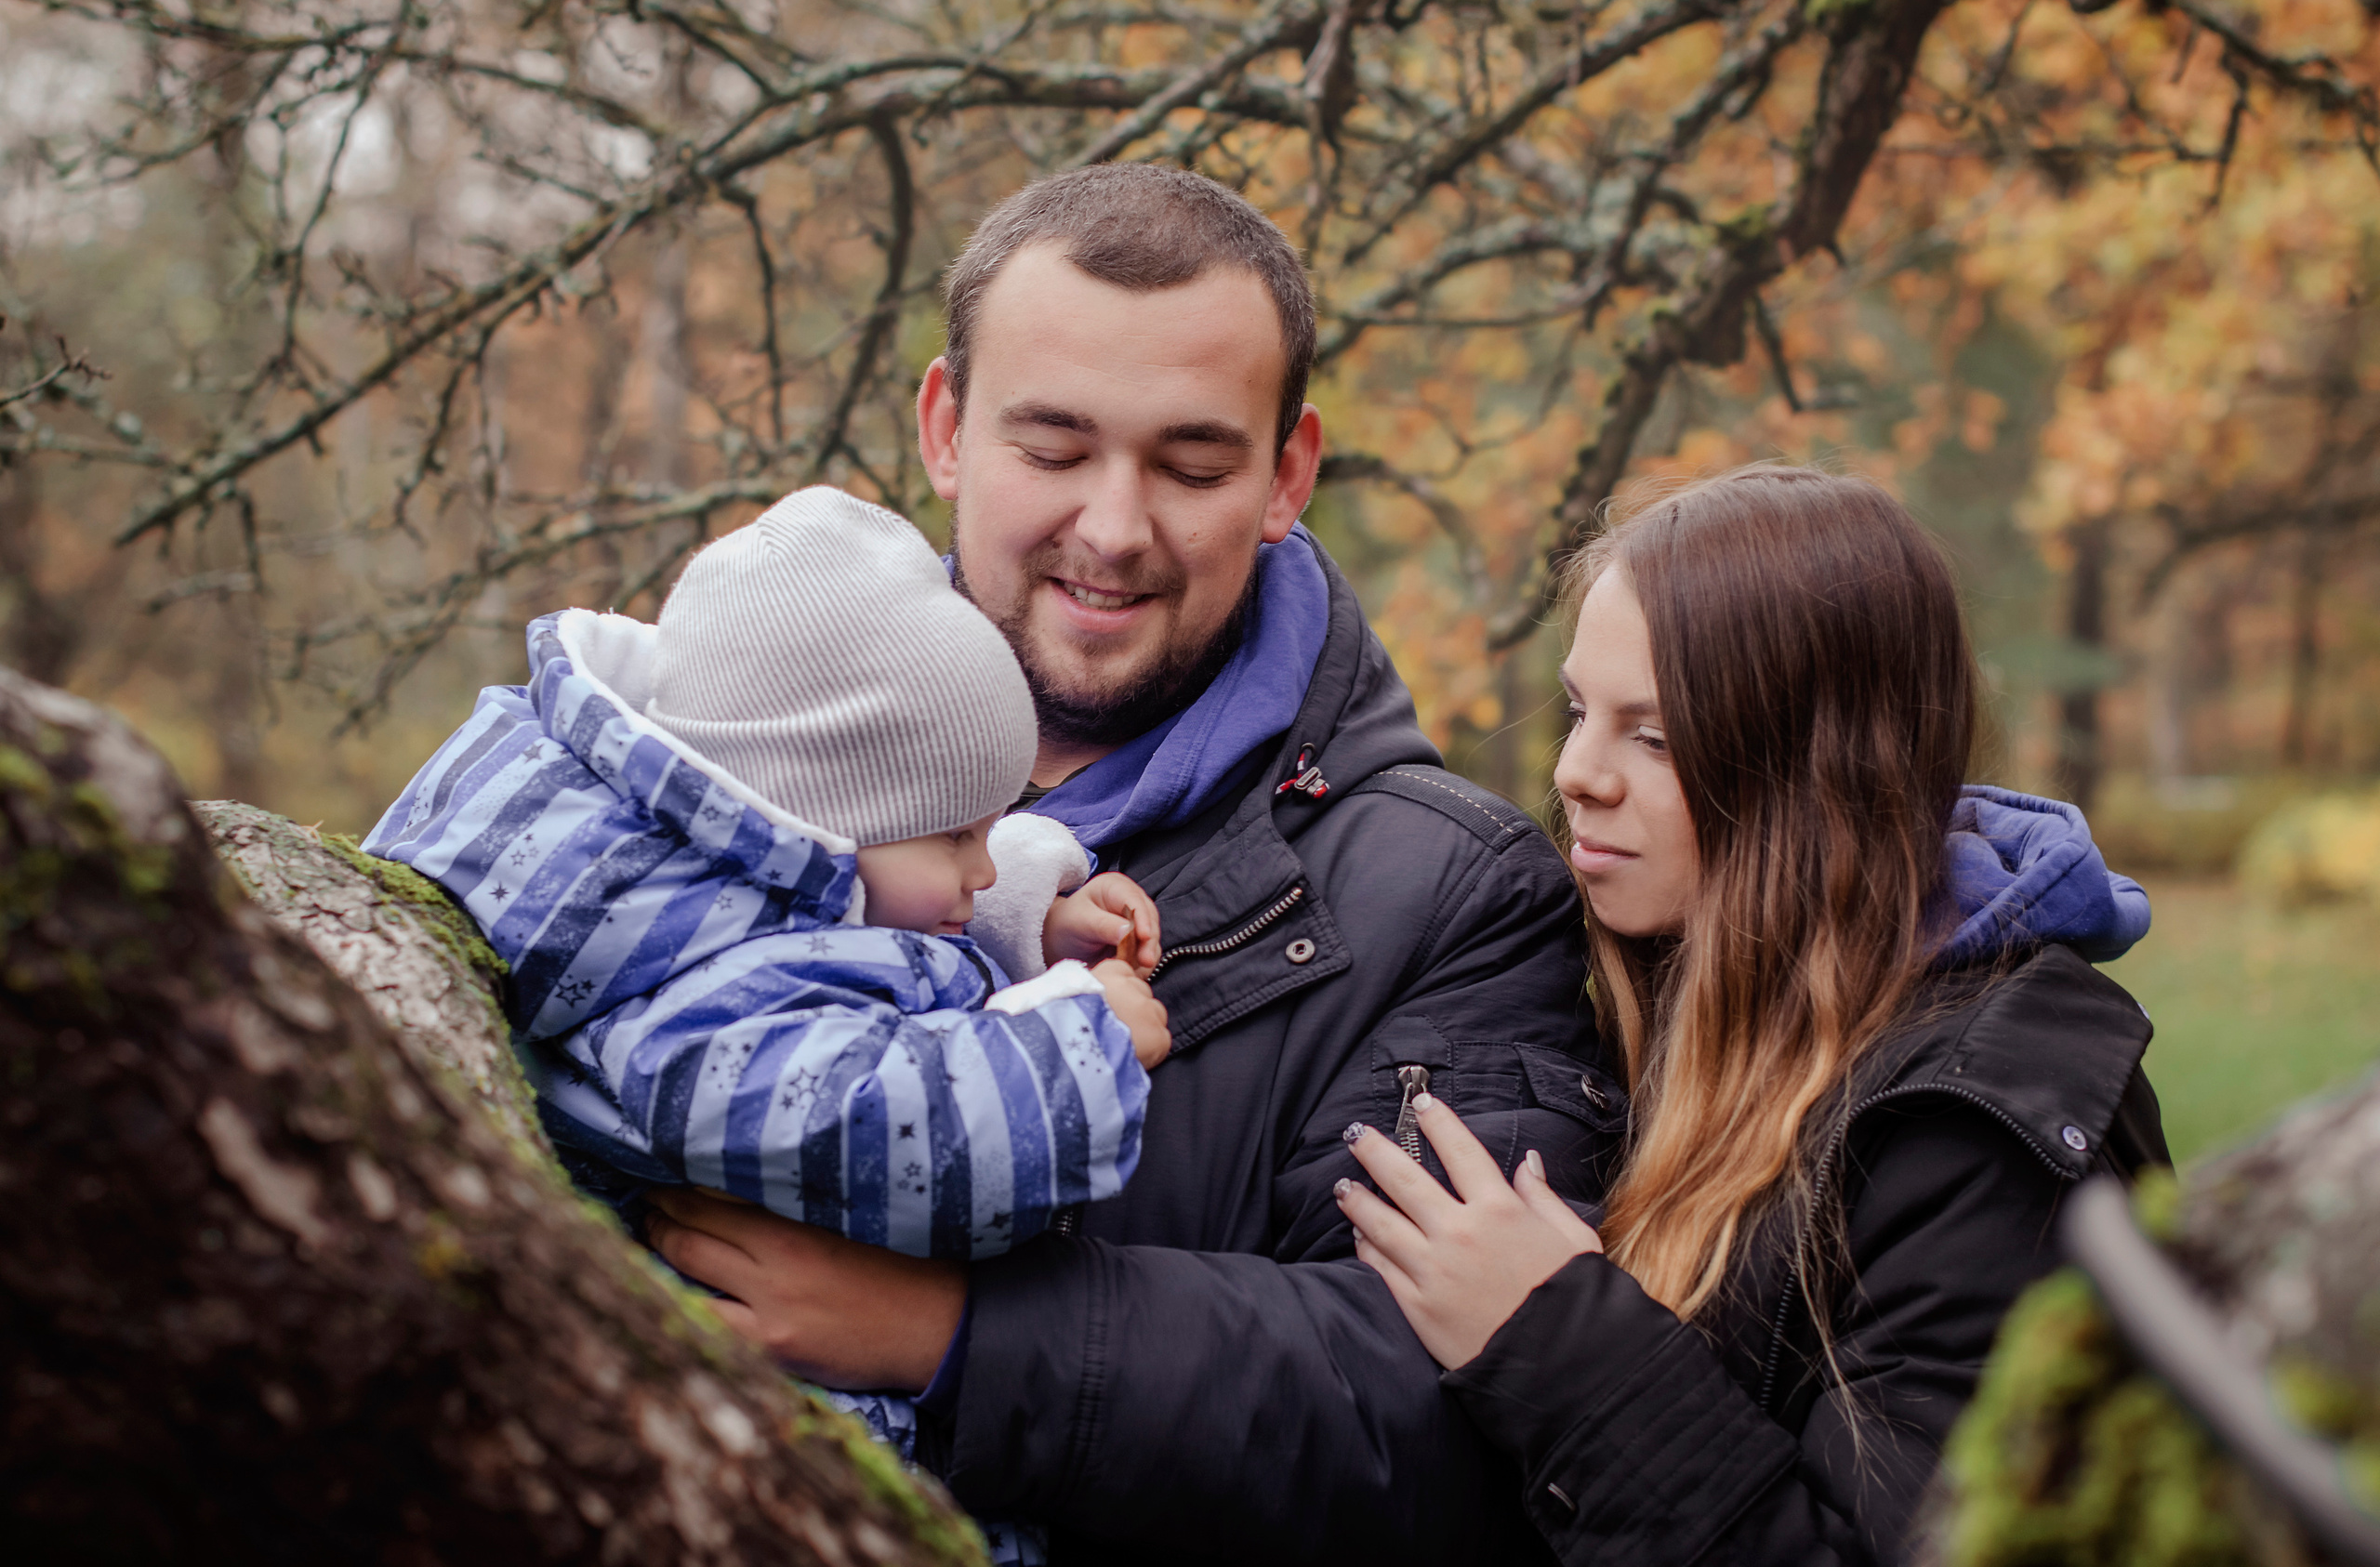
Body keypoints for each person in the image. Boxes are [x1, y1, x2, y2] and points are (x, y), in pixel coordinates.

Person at [639, 164, 1620, 1561]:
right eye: (1052, 449)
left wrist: (961, 1338)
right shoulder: (729, 736)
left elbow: (1455, 1421)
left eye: (1191, 464)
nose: (1111, 527)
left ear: (1287, 475)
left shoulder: (1455, 898)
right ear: (945, 428)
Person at [1334, 465, 2170, 1565]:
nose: (1575, 772)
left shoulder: (1973, 1143)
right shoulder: (1651, 1009)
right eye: (1583, 711)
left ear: (1817, 772)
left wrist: (1556, 1342)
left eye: (1656, 737)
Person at [359, 488, 1172, 1515]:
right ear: (813, 821)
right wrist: (1081, 1042)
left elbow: (854, 894)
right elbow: (877, 1122)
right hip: (767, 1465)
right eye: (961, 836)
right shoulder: (696, 1006)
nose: (980, 865)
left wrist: (1016, 914)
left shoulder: (683, 890)